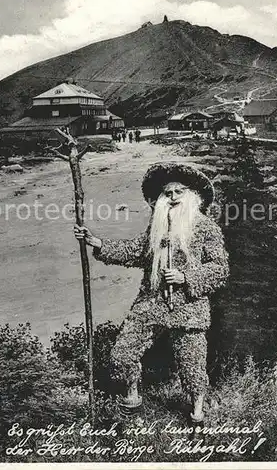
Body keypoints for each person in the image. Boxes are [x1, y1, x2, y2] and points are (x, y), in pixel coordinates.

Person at [74, 163, 229, 423]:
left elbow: (220, 269)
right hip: (152, 303)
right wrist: (98, 243)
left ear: (192, 195)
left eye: (179, 191)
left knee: (192, 366)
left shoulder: (205, 227)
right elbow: (135, 252)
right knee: (122, 354)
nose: (173, 197)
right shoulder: (156, 227)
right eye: (167, 193)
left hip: (189, 307)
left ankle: (197, 414)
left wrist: (185, 277)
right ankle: (131, 401)